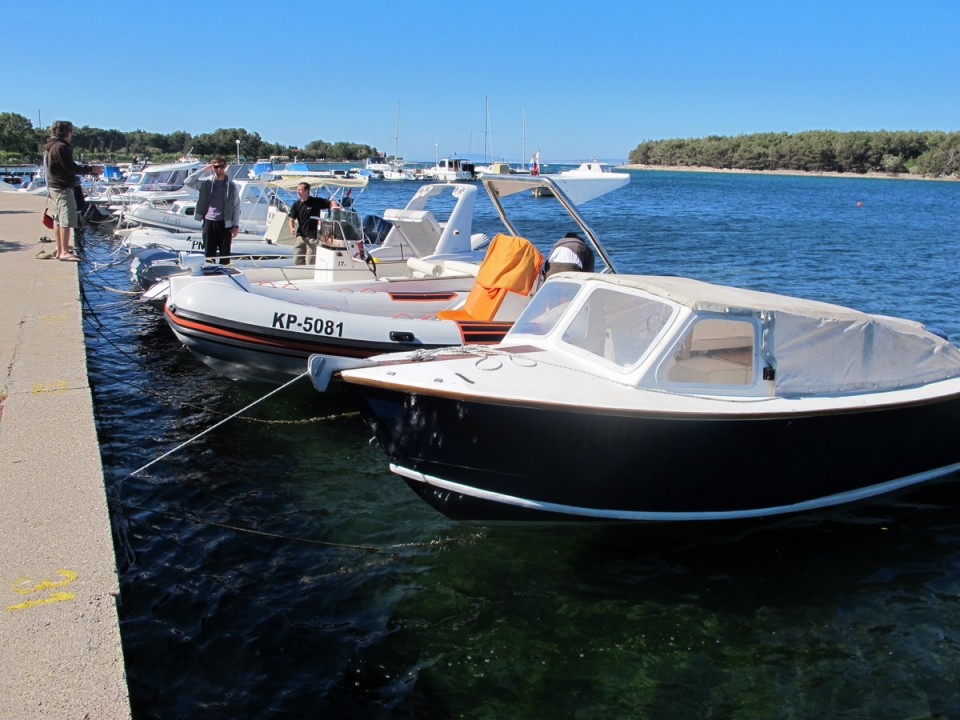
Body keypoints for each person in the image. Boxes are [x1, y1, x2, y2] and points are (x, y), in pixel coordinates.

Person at [44, 120, 103, 261]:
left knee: (58, 218)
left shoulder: (51, 146)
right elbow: (71, 167)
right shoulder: (61, 147)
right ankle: (64, 252)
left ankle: (60, 248)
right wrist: (91, 169)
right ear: (66, 132)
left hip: (54, 185)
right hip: (63, 187)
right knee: (66, 218)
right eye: (71, 132)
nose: (71, 135)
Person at [184, 157, 241, 264]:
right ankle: (209, 271)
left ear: (225, 167)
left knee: (225, 256)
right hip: (209, 222)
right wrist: (202, 170)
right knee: (209, 255)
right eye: (216, 167)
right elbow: (188, 182)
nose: (219, 169)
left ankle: (224, 273)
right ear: (212, 167)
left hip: (225, 223)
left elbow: (236, 206)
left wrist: (235, 225)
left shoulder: (231, 185)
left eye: (221, 166)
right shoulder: (206, 183)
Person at [287, 181, 339, 266]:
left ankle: (309, 273)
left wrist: (334, 206)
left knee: (310, 261)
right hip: (300, 236)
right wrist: (292, 228)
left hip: (312, 237)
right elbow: (291, 219)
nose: (298, 192)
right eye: (297, 190)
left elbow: (331, 202)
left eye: (300, 190)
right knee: (297, 260)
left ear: (307, 191)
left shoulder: (315, 201)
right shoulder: (296, 204)